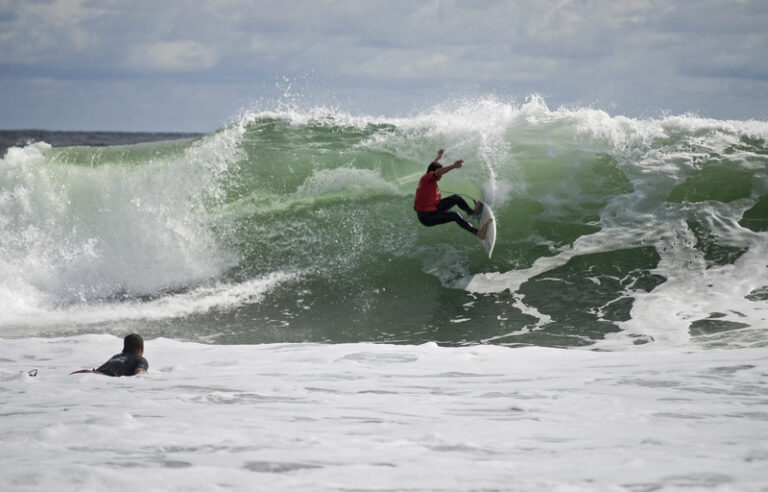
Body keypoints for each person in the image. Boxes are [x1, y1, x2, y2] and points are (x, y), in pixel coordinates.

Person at [413, 149, 491, 239]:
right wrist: (454, 166)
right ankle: (478, 233)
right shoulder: (429, 177)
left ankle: (472, 213)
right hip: (427, 217)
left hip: (434, 207)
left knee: (456, 198)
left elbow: (433, 165)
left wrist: (439, 156)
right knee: (454, 215)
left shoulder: (427, 176)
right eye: (440, 173)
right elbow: (438, 172)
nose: (441, 176)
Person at [70, 333, 148, 377]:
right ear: (141, 349)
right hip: (105, 377)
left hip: (95, 373)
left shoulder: (116, 356)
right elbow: (140, 372)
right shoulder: (140, 360)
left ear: (125, 347)